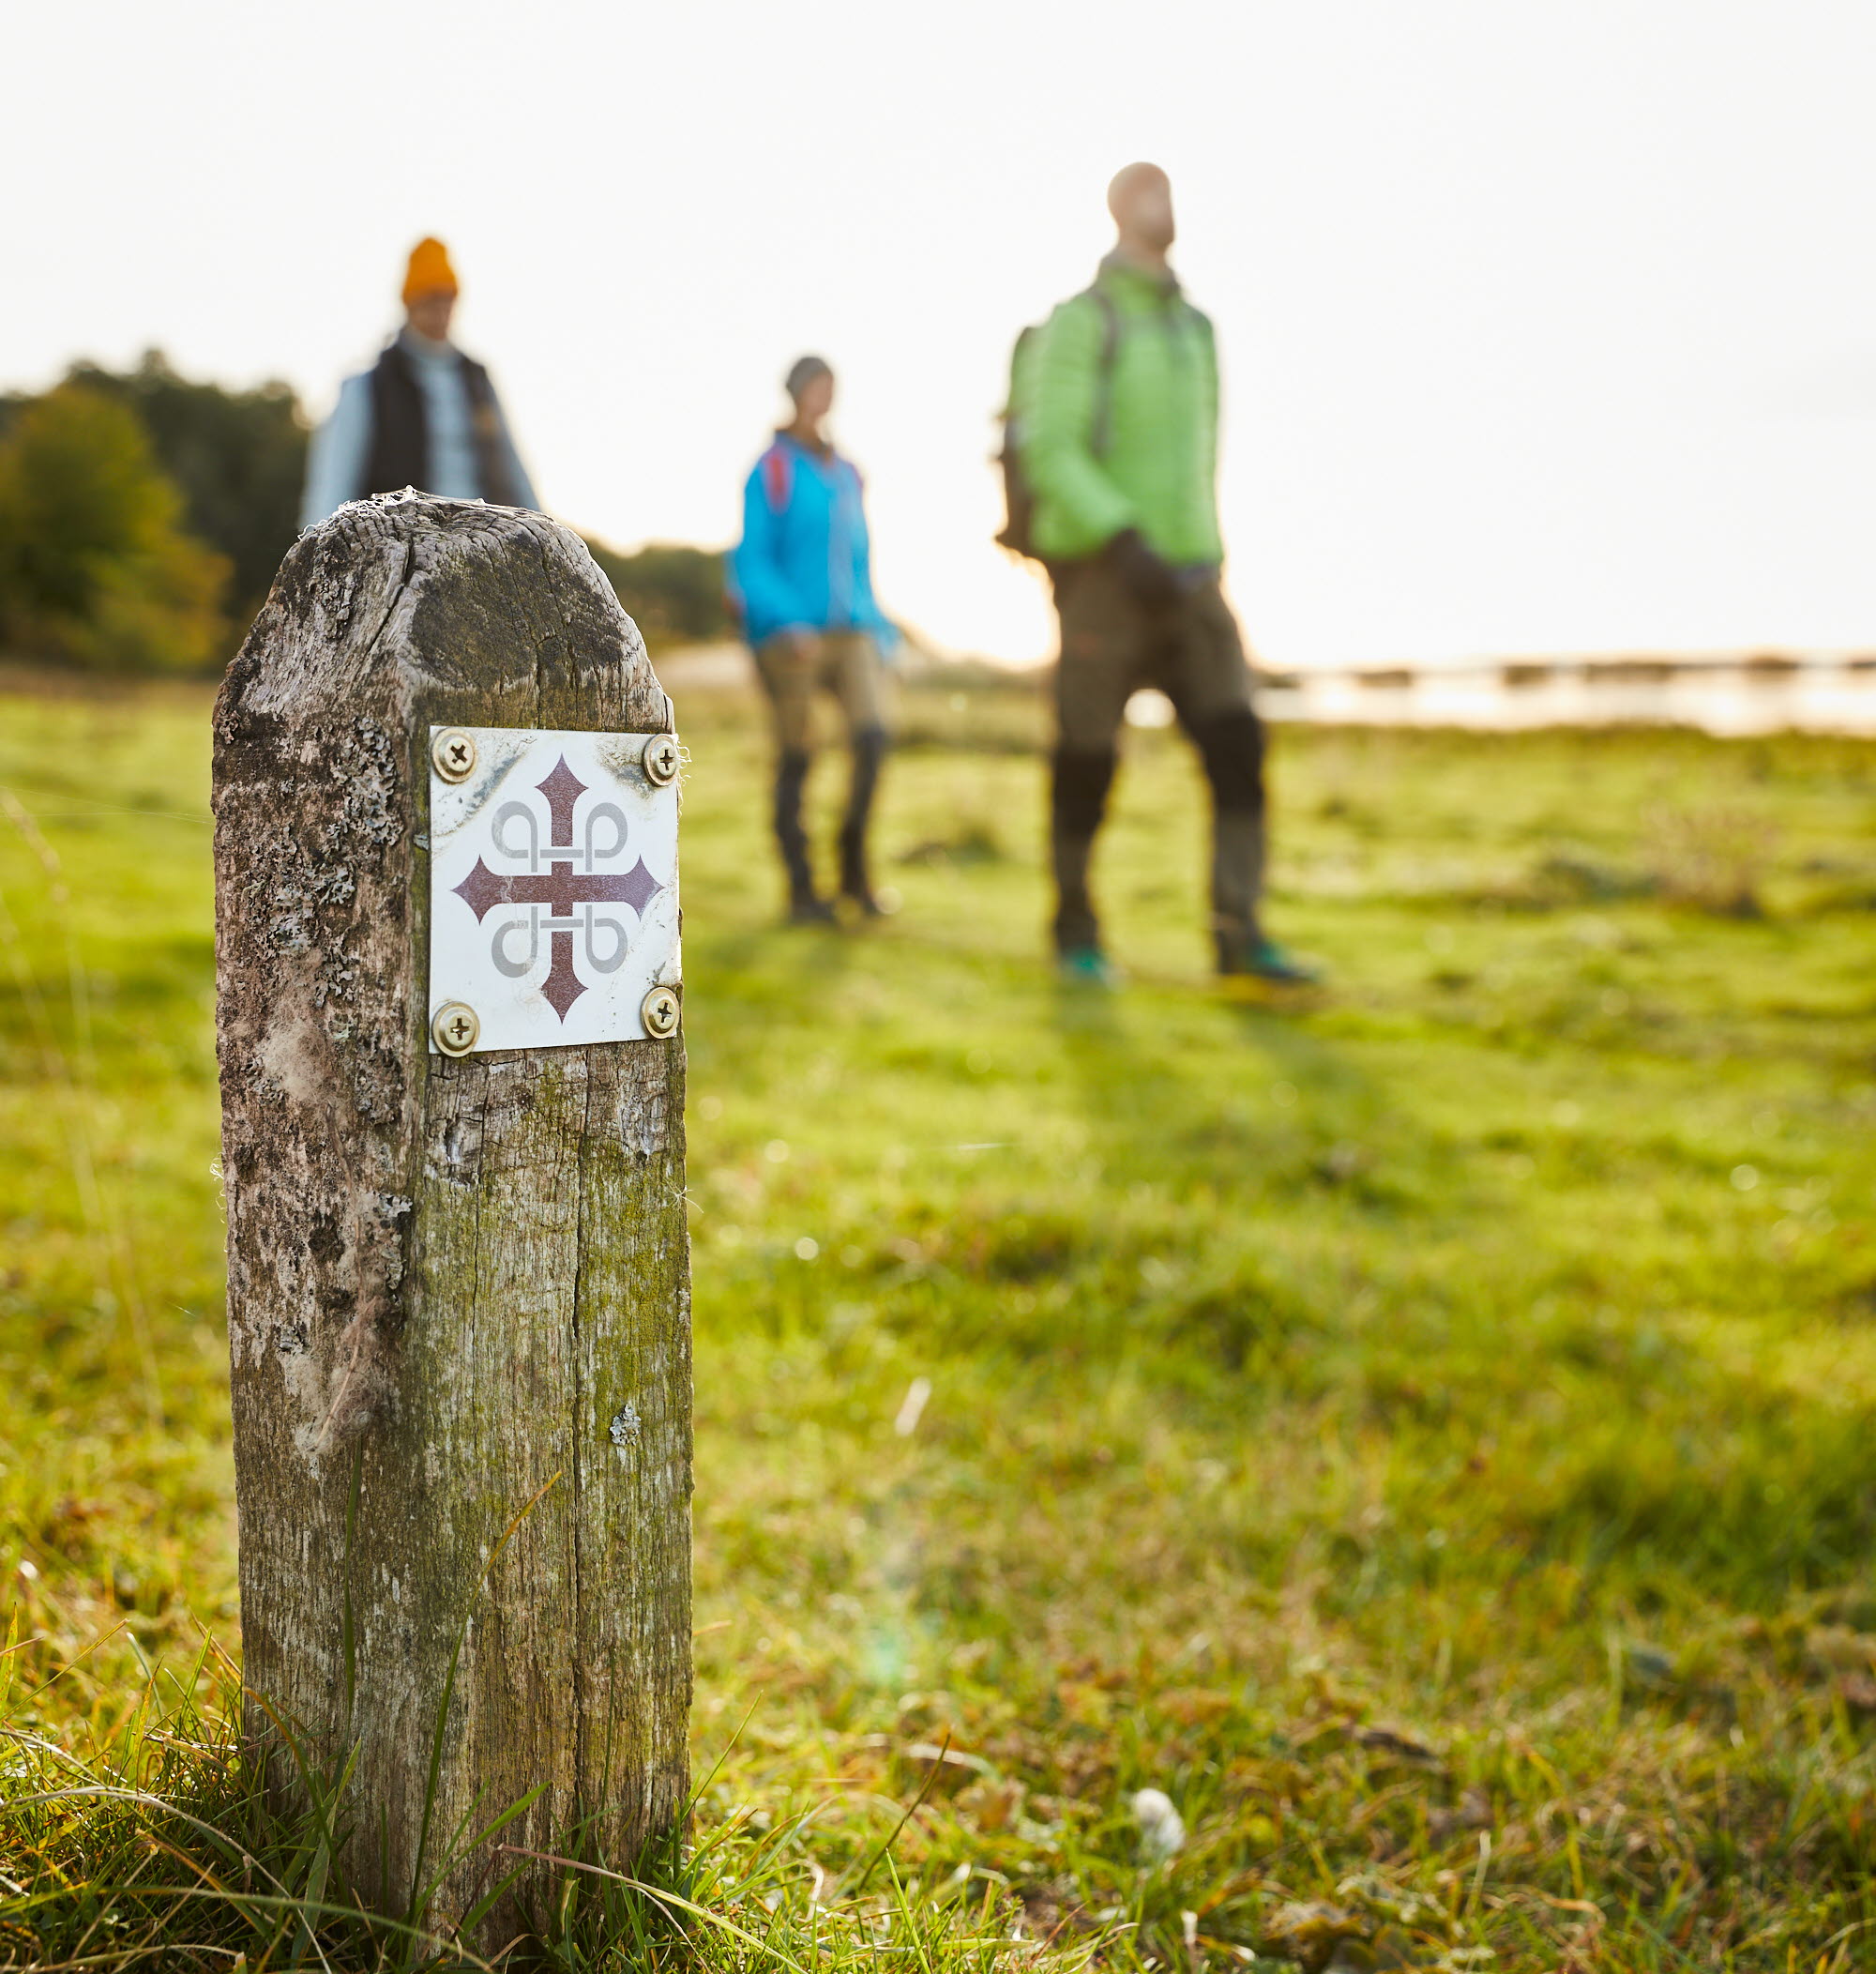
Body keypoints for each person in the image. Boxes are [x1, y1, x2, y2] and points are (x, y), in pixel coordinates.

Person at [1014, 164, 1315, 986]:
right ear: (1118, 209)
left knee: (1239, 749)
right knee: (1087, 760)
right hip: (1108, 578)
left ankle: (1238, 930)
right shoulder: (1084, 321)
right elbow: (1051, 448)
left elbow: (1201, 456)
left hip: (1194, 579)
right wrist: (1120, 540)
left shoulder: (1196, 330)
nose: (1165, 202)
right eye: (1148, 190)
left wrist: (1205, 551)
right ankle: (1075, 929)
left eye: (1169, 189)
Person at [728, 356, 898, 925]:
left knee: (873, 738)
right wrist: (785, 621)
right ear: (796, 394)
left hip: (851, 630)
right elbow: (750, 560)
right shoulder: (770, 471)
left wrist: (881, 630)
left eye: (831, 389)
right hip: (789, 635)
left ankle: (854, 872)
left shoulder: (846, 473)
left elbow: (860, 560)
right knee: (799, 753)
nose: (824, 398)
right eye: (816, 388)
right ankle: (803, 892)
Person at [300, 237, 538, 527]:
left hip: (488, 545)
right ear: (410, 304)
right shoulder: (368, 387)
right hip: (402, 551)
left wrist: (545, 531)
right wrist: (319, 548)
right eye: (431, 299)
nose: (442, 310)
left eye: (448, 298)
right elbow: (333, 482)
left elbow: (514, 466)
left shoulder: (478, 381)